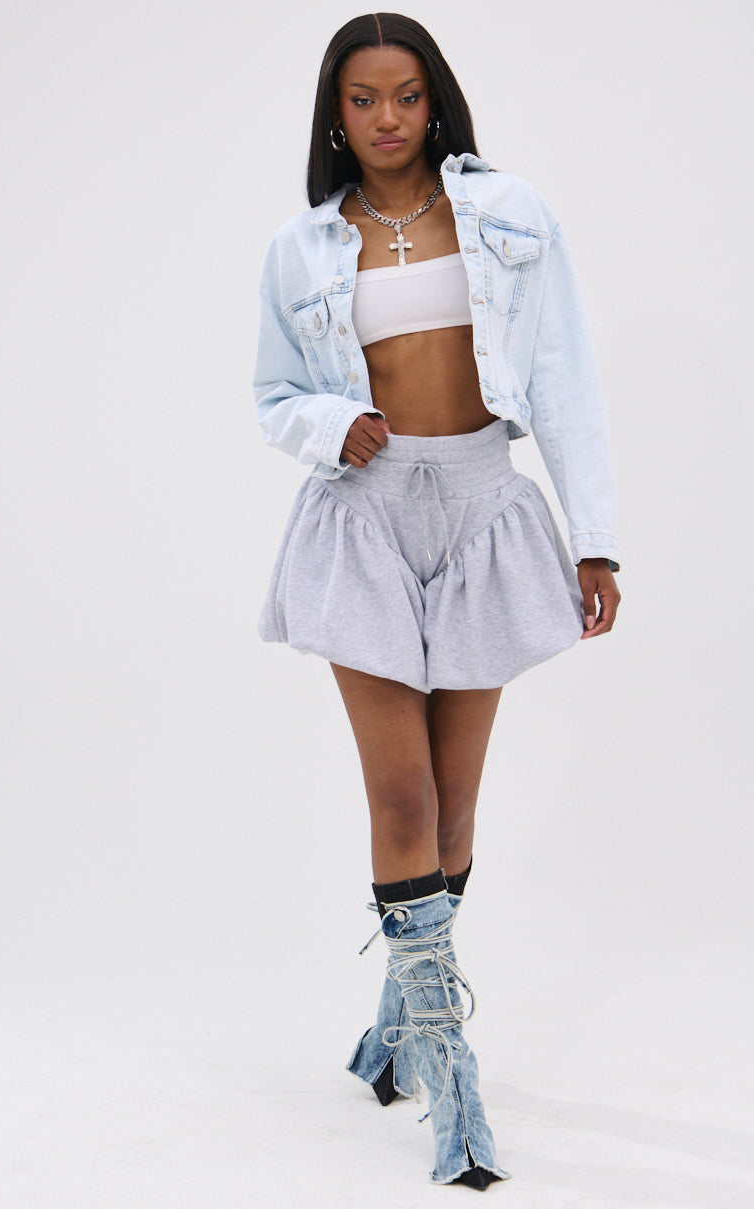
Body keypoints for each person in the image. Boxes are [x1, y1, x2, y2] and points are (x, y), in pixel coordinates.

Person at [253, 12, 620, 1192]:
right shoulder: (302, 247)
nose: (386, 119)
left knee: (453, 814)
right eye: (362, 99)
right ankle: (449, 1066)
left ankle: (395, 1026)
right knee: (400, 794)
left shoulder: (507, 215)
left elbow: (561, 377)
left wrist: (594, 542)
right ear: (335, 113)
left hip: (480, 505)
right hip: (361, 516)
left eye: (404, 95)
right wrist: (329, 424)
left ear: (435, 101)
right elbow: (271, 394)